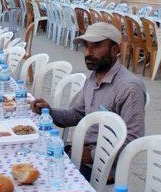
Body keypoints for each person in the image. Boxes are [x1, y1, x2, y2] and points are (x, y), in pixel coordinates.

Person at [31, 23, 146, 178]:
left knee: (44, 179)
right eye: (86, 46)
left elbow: (133, 138)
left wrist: (92, 155)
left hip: (102, 169)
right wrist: (50, 111)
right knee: (29, 160)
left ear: (115, 50)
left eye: (96, 46)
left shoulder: (129, 87)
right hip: (79, 154)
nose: (88, 53)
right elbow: (78, 113)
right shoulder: (93, 78)